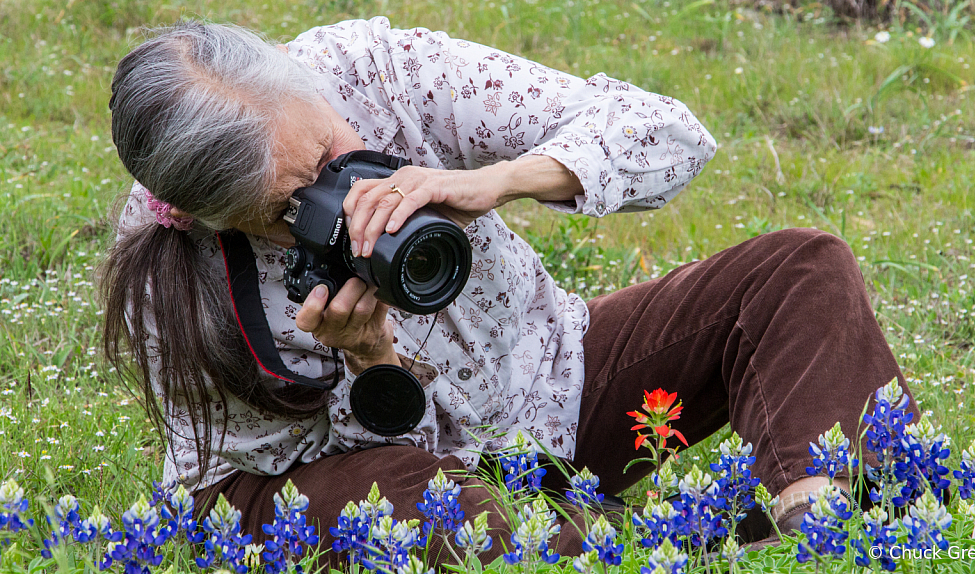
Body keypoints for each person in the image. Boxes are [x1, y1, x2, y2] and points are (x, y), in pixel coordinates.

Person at [102, 16, 918, 567]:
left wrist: (501, 179)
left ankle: (832, 530)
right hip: (331, 478)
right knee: (446, 510)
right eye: (285, 210)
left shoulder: (373, 71)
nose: (334, 200)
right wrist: (370, 362)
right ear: (218, 221)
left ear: (309, 88)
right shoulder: (171, 279)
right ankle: (645, 549)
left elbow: (667, 131)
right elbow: (382, 456)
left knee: (797, 270)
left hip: (542, 389)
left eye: (327, 159)